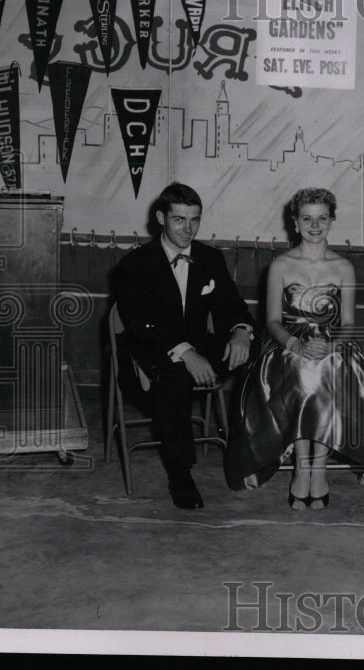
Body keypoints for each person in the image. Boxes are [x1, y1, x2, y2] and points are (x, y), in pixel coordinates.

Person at [224, 187, 364, 508]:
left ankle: (320, 467)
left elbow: (349, 324)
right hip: (286, 342)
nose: (315, 225)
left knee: (325, 365)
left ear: (332, 221)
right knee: (301, 366)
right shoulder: (280, 266)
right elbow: (270, 322)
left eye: (322, 218)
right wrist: (296, 344)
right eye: (307, 218)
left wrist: (329, 345)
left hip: (333, 343)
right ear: (295, 223)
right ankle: (302, 465)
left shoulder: (343, 268)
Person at [115, 183, 254, 510]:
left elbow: (232, 305)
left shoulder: (210, 258)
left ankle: (248, 447)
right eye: (179, 219)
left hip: (198, 347)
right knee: (175, 375)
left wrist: (240, 331)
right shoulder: (136, 264)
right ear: (161, 218)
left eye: (194, 219)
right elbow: (139, 324)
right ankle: (180, 473)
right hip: (150, 352)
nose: (187, 228)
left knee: (257, 347)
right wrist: (186, 353)